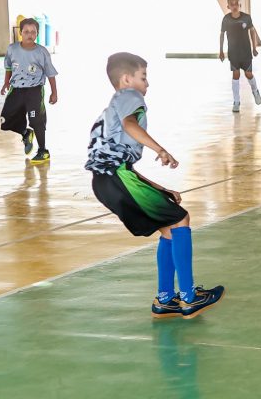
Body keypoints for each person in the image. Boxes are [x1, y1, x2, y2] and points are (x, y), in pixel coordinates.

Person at [85, 52, 225, 319]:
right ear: (126, 79)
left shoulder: (108, 112)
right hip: (117, 177)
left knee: (169, 228)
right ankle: (189, 297)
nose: (147, 83)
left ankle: (165, 299)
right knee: (181, 219)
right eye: (143, 77)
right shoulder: (129, 96)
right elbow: (130, 125)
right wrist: (160, 150)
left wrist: (160, 189)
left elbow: (122, 165)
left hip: (107, 181)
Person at [0, 18, 58, 164]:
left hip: (34, 90)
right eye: (26, 32)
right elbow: (8, 67)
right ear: (20, 33)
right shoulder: (12, 49)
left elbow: (50, 73)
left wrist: (54, 92)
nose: (30, 35)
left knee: (36, 120)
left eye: (33, 32)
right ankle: (25, 133)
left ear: (37, 33)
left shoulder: (42, 52)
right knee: (5, 119)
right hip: (16, 89)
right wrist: (6, 82)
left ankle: (43, 151)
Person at [219, 0, 260, 113]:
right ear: (228, 6)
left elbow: (252, 31)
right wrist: (221, 51)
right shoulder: (226, 19)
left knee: (248, 74)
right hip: (233, 53)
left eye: (236, 3)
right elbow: (222, 34)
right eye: (231, 4)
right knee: (235, 75)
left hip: (246, 52)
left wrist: (254, 47)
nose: (234, 6)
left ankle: (255, 91)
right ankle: (236, 102)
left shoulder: (246, 18)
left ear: (239, 5)